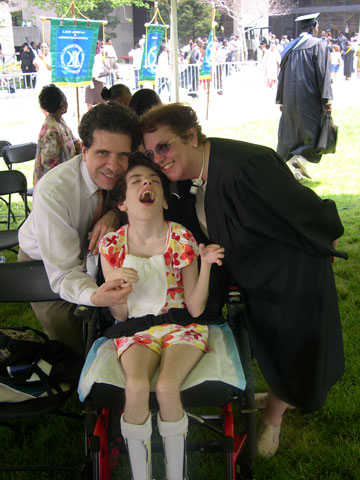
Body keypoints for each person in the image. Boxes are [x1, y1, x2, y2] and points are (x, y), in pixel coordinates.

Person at [139, 102, 347, 458]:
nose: (158, 158)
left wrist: (326, 235)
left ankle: (273, 419)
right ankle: (275, 397)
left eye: (164, 146)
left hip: (290, 275)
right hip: (256, 276)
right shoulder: (193, 174)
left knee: (292, 350)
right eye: (150, 151)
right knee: (270, 345)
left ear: (191, 135)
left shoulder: (245, 167)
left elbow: (304, 209)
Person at [98, 153, 224, 479]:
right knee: (136, 386)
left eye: (154, 181)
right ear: (122, 203)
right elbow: (120, 314)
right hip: (135, 328)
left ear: (164, 201)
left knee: (168, 387)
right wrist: (117, 287)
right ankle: (142, 475)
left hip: (181, 326)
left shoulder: (181, 237)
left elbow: (195, 308)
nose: (147, 183)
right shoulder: (112, 245)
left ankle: (175, 475)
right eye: (136, 181)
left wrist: (207, 265)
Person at [18, 103, 140, 354]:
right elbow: (63, 274)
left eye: (123, 155)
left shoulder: (130, 171)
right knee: (69, 344)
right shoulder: (54, 191)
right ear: (83, 150)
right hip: (45, 261)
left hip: (96, 256)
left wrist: (114, 212)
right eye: (103, 153)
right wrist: (96, 297)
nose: (114, 166)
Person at [276, 13, 332, 181]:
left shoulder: (289, 47)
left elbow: (281, 76)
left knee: (293, 134)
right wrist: (327, 99)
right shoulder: (318, 45)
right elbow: (323, 74)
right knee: (313, 134)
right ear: (314, 26)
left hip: (290, 100)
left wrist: (282, 100)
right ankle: (299, 161)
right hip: (310, 98)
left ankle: (296, 174)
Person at [33, 84, 81, 185]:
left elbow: (74, 142)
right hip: (53, 185)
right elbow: (50, 167)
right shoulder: (51, 132)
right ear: (62, 104)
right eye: (65, 99)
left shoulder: (60, 122)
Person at [85, 41, 108, 110]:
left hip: (97, 80)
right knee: (89, 101)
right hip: (90, 81)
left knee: (101, 100)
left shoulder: (99, 56)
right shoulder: (88, 55)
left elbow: (100, 67)